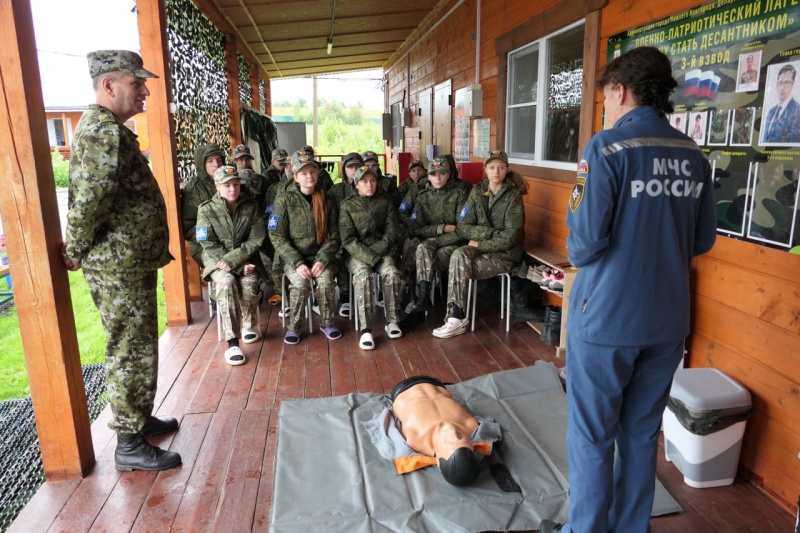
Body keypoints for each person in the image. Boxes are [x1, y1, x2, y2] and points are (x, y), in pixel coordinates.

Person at [539, 46, 717, 533]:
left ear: (620, 90)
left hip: (607, 320)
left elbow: (582, 247)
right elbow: (701, 240)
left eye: (604, 100)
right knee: (641, 435)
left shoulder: (606, 149)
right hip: (667, 323)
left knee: (593, 437)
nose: (605, 110)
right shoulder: (693, 155)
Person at [62, 50, 181, 472]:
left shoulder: (110, 129)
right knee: (129, 348)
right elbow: (89, 201)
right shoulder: (101, 131)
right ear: (109, 85)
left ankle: (140, 418)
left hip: (128, 260)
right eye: (137, 83)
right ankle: (129, 442)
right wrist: (73, 250)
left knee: (139, 343)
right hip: (116, 264)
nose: (145, 90)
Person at [432, 149, 527, 338]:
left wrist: (479, 244)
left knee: (459, 267)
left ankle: (455, 318)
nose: (496, 171)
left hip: (504, 255)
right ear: (485, 169)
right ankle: (455, 317)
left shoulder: (513, 196)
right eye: (492, 167)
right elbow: (464, 225)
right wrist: (489, 233)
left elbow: (511, 237)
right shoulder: (477, 191)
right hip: (482, 248)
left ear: (507, 169)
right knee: (458, 255)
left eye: (501, 167)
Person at [196, 166, 267, 366]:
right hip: (216, 261)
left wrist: (238, 261)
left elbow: (257, 238)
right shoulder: (206, 209)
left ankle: (248, 323)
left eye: (236, 184)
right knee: (226, 283)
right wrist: (234, 266)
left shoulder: (251, 206)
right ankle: (232, 342)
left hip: (247, 259)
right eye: (227, 185)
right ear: (217, 187)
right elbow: (207, 243)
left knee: (249, 284)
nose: (233, 189)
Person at [269, 151, 342, 344]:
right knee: (300, 285)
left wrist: (322, 259)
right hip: (294, 258)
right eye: (303, 173)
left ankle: (327, 323)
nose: (309, 176)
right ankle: (294, 327)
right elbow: (276, 236)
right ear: (295, 177)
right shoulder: (284, 201)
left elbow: (334, 236)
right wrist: (297, 262)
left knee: (326, 282)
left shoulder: (327, 200)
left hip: (320, 257)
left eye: (312, 171)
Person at [339, 166, 405, 350]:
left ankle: (392, 320)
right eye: (364, 181)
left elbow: (392, 231)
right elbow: (348, 239)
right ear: (356, 184)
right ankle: (366, 329)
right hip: (357, 254)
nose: (369, 184)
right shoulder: (347, 205)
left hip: (382, 251)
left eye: (373, 180)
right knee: (364, 276)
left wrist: (378, 252)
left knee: (392, 273)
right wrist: (369, 257)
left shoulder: (385, 201)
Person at [390, 376, 489, 486]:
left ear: (438, 459)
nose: (452, 431)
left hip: (402, 389)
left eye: (449, 441)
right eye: (461, 437)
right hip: (435, 384)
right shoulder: (471, 425)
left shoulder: (415, 439)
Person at [404, 157, 471, 315]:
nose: (438, 177)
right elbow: (416, 228)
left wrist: (436, 238)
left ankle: (424, 300)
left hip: (453, 244)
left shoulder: (459, 195)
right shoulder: (423, 197)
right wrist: (442, 228)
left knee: (425, 254)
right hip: (434, 242)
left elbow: (462, 230)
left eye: (442, 173)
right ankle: (424, 297)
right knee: (421, 248)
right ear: (428, 176)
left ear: (449, 174)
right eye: (434, 174)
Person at [330, 152, 364, 317]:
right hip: (341, 233)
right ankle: (345, 295)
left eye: (358, 166)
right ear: (344, 170)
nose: (354, 169)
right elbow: (330, 215)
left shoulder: (369, 186)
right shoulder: (336, 190)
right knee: (339, 253)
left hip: (364, 236)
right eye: (350, 166)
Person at [182, 143, 226, 269]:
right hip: (205, 245)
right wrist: (216, 239)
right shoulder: (195, 188)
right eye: (210, 161)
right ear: (202, 164)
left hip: (231, 241)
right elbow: (189, 228)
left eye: (219, 160)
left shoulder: (229, 182)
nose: (216, 164)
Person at [763, 64, 800, 143]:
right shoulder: (770, 112)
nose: (782, 87)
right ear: (776, 84)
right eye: (780, 82)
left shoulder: (797, 111)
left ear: (792, 85)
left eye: (787, 82)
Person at [232, 143, 275, 210]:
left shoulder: (261, 180)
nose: (244, 162)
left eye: (247, 159)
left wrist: (267, 214)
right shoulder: (231, 181)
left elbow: (271, 198)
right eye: (241, 159)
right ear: (235, 160)